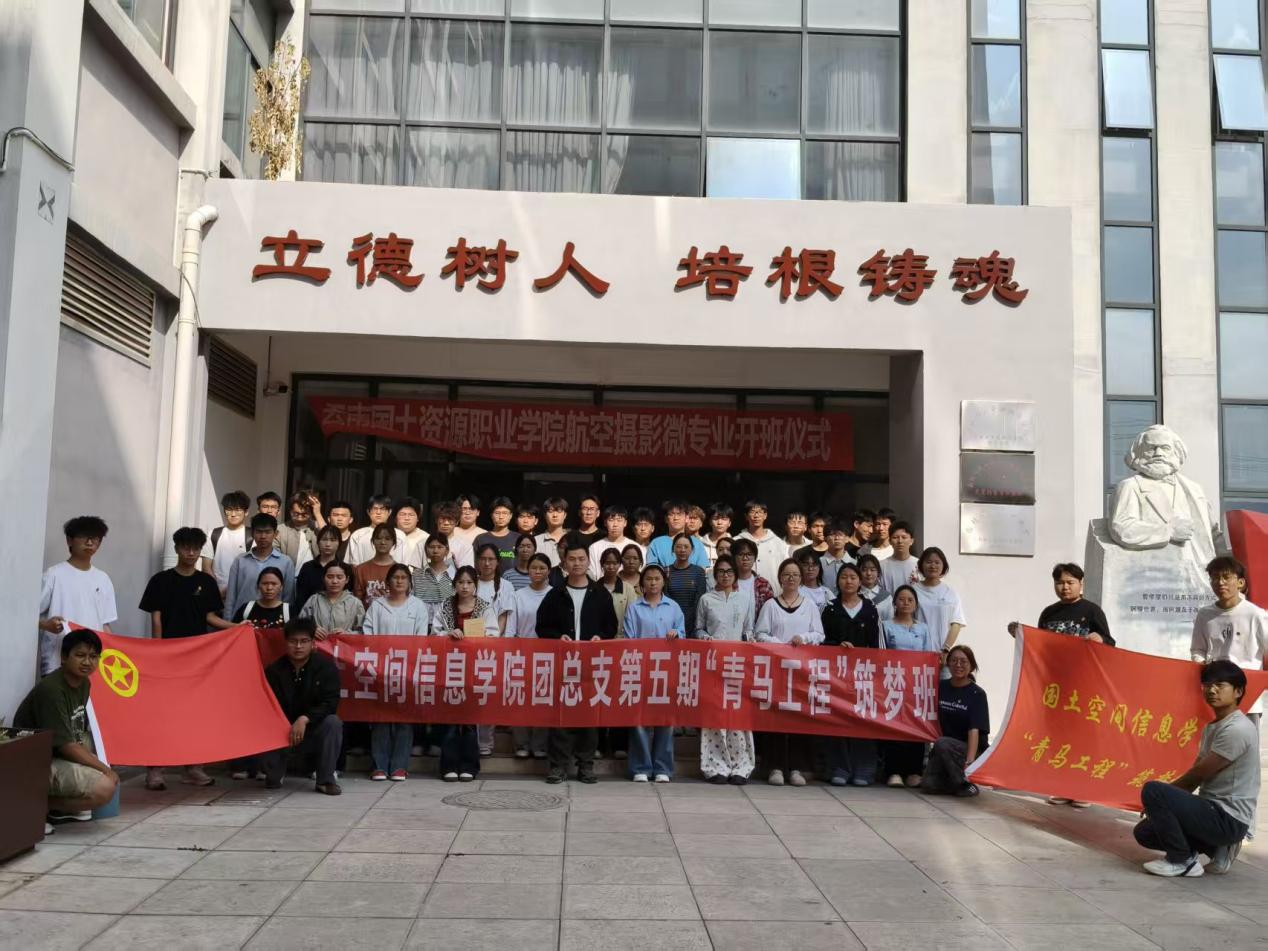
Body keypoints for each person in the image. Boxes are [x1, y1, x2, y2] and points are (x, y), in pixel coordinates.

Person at [1133, 660, 1260, 877]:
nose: (1212, 690)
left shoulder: (1237, 729)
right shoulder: (1214, 726)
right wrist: (1161, 806)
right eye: (1207, 685)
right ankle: (1216, 848)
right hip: (1211, 810)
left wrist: (1160, 798)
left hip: (1228, 818)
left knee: (1153, 790)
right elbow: (1197, 773)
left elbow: (1198, 775)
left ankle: (1182, 861)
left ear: (1238, 691)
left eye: (1220, 685)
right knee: (1145, 832)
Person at [138, 527, 233, 790]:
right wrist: (158, 652)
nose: (190, 552)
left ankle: (194, 767)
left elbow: (210, 618)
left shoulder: (207, 583)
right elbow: (156, 618)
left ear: (201, 551)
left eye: (195, 548)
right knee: (162, 713)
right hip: (167, 658)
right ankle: (155, 769)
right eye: (185, 547)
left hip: (198, 660)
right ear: (177, 549)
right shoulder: (161, 581)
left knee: (195, 713)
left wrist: (237, 628)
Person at [14, 629, 119, 823]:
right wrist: (106, 770)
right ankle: (35, 807)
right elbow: (66, 746)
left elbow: (74, 736)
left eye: (93, 657)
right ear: (63, 657)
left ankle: (58, 809)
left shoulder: (84, 683)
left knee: (92, 744)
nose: (87, 662)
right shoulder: (52, 690)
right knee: (104, 788)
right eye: (80, 655)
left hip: (58, 752)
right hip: (34, 762)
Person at [536, 544, 617, 783]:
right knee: (561, 716)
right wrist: (557, 637)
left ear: (588, 562)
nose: (577, 563)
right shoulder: (555, 594)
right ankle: (558, 766)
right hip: (564, 664)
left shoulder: (601, 594)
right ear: (564, 562)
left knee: (589, 716)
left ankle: (586, 765)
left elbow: (611, 626)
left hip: (591, 664)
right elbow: (542, 627)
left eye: (581, 559)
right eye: (572, 559)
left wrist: (600, 637)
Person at [755, 558, 825, 786]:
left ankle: (797, 768)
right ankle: (775, 767)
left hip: (802, 671)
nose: (791, 578)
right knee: (775, 718)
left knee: (798, 719)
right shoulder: (770, 605)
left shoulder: (809, 605)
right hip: (776, 670)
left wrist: (803, 638)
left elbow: (819, 635)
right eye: (787, 574)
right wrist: (780, 645)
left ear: (801, 578)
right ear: (780, 578)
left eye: (795, 574)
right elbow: (760, 634)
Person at [261, 618, 343, 795]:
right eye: (293, 641)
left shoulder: (326, 668)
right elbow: (266, 706)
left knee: (333, 722)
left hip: (312, 729)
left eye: (304, 641)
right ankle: (274, 770)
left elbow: (331, 703)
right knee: (272, 782)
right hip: (282, 730)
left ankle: (325, 780)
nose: (298, 646)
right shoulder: (274, 671)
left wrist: (305, 719)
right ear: (285, 643)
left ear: (313, 643)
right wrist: (286, 725)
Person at [364, 564, 430, 781]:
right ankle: (379, 765)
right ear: (388, 582)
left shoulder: (418, 606)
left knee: (404, 718)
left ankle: (400, 766)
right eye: (395, 577)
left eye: (403, 577)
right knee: (380, 717)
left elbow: (421, 638)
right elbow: (368, 634)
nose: (399, 581)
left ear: (409, 582)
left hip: (407, 668)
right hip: (381, 669)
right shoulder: (377, 606)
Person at [430, 567, 497, 781]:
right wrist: (447, 634)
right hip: (449, 668)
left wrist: (477, 637)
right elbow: (434, 633)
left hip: (474, 668)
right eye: (460, 582)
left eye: (469, 582)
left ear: (475, 585)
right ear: (454, 585)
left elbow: (494, 635)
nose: (465, 586)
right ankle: (448, 765)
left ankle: (469, 765)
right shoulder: (445, 606)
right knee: (450, 718)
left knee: (469, 718)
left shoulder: (484, 607)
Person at [694, 556, 756, 784]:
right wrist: (705, 638)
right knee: (715, 714)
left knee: (738, 715)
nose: (725, 575)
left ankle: (741, 766)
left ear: (735, 574)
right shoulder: (706, 599)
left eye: (729, 571)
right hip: (713, 664)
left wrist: (749, 640)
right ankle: (715, 766)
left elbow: (749, 629)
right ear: (715, 575)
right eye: (720, 571)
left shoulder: (745, 599)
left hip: (738, 664)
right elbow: (698, 629)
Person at [820, 563, 881, 786]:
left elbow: (877, 644)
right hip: (836, 674)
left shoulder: (870, 609)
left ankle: (864, 768)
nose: (848, 581)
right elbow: (821, 639)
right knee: (837, 718)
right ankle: (839, 767)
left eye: (853, 577)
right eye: (844, 577)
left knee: (863, 718)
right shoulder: (830, 608)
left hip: (864, 675)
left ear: (860, 581)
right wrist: (836, 646)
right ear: (837, 581)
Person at [623, 564, 684, 783]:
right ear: (642, 583)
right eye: (648, 579)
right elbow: (629, 639)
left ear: (663, 581)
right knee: (638, 719)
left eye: (657, 578)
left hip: (667, 671)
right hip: (640, 669)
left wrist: (677, 634)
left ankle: (662, 768)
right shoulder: (634, 608)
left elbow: (683, 635)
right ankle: (640, 766)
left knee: (665, 719)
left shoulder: (673, 607)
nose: (653, 583)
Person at [38, 516, 117, 676]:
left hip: (92, 666)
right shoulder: (53, 575)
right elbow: (27, 617)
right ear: (69, 540)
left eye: (95, 538)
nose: (90, 542)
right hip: (57, 662)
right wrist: (46, 625)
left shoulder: (103, 579)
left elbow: (105, 625)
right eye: (83, 537)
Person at [1190, 556, 1266, 724]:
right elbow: (1198, 649)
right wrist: (1202, 664)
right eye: (1215, 578)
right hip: (1215, 695)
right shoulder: (1205, 615)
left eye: (1226, 577)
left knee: (1245, 739)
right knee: (1214, 739)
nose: (1220, 582)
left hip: (1247, 694)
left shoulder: (1256, 614)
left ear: (1240, 583)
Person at [880, 585, 940, 787]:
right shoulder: (886, 626)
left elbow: (929, 655)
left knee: (915, 725)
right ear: (894, 603)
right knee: (894, 726)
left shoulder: (923, 628)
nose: (905, 603)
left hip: (916, 684)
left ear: (916, 604)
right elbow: (881, 653)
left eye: (910, 600)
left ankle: (914, 771)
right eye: (901, 599)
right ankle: (893, 771)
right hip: (893, 683)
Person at [922, 645, 989, 798]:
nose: (958, 665)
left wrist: (970, 763)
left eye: (963, 661)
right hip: (944, 747)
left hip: (971, 749)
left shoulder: (977, 694)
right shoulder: (941, 687)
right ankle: (953, 782)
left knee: (942, 743)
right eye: (954, 661)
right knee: (929, 785)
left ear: (971, 666)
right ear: (948, 664)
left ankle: (965, 783)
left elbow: (974, 730)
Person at [505, 553, 554, 759]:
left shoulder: (555, 595)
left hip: (548, 655)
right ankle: (521, 743)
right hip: (521, 654)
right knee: (520, 699)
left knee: (543, 700)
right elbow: (511, 628)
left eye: (542, 568)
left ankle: (540, 745)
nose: (537, 571)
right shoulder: (518, 595)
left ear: (549, 571)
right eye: (534, 568)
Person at [223, 514, 296, 621]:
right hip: (242, 620)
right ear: (252, 533)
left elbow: (288, 597)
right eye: (259, 532)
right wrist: (228, 623)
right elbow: (231, 596)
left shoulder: (285, 562)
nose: (263, 536)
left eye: (268, 532)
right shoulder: (240, 560)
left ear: (275, 534)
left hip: (275, 621)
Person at [913, 547, 966, 670]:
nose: (933, 566)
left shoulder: (950, 593)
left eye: (937, 562)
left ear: (943, 566)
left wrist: (946, 650)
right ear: (921, 565)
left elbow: (956, 623)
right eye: (929, 562)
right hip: (918, 654)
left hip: (944, 656)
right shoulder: (913, 591)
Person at [201, 490, 250, 597]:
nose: (233, 514)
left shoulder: (252, 536)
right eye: (229, 510)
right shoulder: (213, 534)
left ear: (246, 512)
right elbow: (206, 567)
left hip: (243, 593)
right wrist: (216, 590)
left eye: (238, 510)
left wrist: (231, 590)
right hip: (216, 593)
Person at [299, 561, 364, 639]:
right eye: (330, 577)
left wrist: (348, 634)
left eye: (339, 577)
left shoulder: (355, 603)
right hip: (318, 645)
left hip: (343, 645)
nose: (334, 581)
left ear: (347, 579)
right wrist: (312, 630)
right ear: (323, 578)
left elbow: (363, 631)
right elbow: (300, 624)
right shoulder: (314, 600)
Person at [735, 500, 788, 584]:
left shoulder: (778, 543)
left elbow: (786, 569)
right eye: (752, 512)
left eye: (759, 512)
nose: (756, 516)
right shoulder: (736, 541)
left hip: (773, 590)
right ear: (746, 516)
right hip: (743, 590)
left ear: (765, 515)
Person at [294, 525, 343, 612]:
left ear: (339, 543)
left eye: (332, 540)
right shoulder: (307, 568)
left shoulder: (344, 569)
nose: (328, 544)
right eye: (324, 539)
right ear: (318, 542)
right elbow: (301, 598)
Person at [346, 494, 405, 566]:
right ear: (368, 512)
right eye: (375, 509)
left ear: (389, 512)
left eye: (382, 509)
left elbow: (404, 562)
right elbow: (352, 564)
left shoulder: (400, 535)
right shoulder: (357, 535)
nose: (378, 512)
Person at [647, 500, 709, 568]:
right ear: (666, 519)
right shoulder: (656, 544)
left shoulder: (697, 544)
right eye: (671, 514)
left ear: (687, 518)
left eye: (679, 514)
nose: (676, 518)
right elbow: (651, 570)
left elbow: (703, 570)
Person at [665, 534, 708, 630]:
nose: (682, 550)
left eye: (686, 547)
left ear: (692, 550)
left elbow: (699, 599)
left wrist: (687, 619)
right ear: (673, 549)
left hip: (693, 622)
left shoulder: (698, 572)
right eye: (679, 546)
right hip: (670, 621)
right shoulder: (666, 571)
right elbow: (665, 597)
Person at [474, 543, 516, 636]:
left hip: (496, 638)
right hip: (471, 637)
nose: (487, 563)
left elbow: (503, 617)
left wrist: (492, 638)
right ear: (477, 561)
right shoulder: (470, 583)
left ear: (497, 562)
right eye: (483, 559)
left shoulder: (506, 586)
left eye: (491, 559)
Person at [353, 524, 398, 608]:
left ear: (393, 542)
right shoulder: (361, 569)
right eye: (378, 538)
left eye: (387, 539)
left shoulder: (399, 570)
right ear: (373, 541)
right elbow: (357, 602)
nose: (383, 542)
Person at [587, 505, 635, 580]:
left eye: (619, 520)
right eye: (611, 520)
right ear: (605, 523)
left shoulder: (635, 547)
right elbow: (592, 575)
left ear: (625, 523)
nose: (615, 524)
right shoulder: (594, 548)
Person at [732, 538, 775, 618]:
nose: (745, 558)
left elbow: (770, 613)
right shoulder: (727, 583)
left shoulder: (763, 584)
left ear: (755, 558)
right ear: (734, 557)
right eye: (741, 554)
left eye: (749, 554)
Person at [598, 547, 635, 637]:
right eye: (607, 563)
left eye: (615, 563)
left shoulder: (628, 589)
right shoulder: (594, 588)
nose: (611, 567)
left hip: (622, 638)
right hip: (598, 639)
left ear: (620, 564)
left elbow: (632, 616)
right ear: (602, 564)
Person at [412, 533, 456, 608]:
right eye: (432, 547)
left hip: (448, 615)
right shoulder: (416, 575)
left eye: (440, 547)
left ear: (447, 551)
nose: (435, 551)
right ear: (426, 551)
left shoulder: (456, 576)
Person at [474, 496, 519, 566]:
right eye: (497, 513)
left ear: (511, 515)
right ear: (491, 515)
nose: (501, 517)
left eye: (505, 513)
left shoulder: (518, 539)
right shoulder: (481, 539)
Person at [276, 491, 317, 568]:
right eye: (296, 514)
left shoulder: (317, 527)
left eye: (304, 514)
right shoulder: (280, 530)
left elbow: (328, 536)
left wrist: (317, 513)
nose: (300, 518)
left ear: (311, 513)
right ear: (290, 511)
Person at [880, 521, 921, 595]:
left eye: (904, 537)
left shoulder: (919, 565)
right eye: (895, 537)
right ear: (890, 541)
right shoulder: (882, 566)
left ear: (911, 541)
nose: (900, 541)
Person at [433, 501, 473, 570]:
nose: (446, 523)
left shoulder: (465, 546)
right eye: (442, 519)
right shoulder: (423, 543)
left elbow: (467, 572)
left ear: (457, 522)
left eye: (450, 519)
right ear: (436, 520)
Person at [819, 521, 854, 593]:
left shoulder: (854, 563)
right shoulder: (818, 563)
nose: (837, 538)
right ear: (825, 538)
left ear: (847, 538)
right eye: (832, 534)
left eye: (840, 534)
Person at [394, 497, 430, 569]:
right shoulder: (388, 535)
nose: (407, 518)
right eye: (402, 514)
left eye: (411, 515)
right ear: (395, 517)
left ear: (418, 518)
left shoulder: (426, 538)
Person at [534, 497, 569, 567]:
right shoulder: (535, 541)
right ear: (545, 515)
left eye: (559, 511)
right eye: (550, 511)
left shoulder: (573, 539)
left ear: (565, 515)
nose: (555, 515)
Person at [857, 554, 893, 620]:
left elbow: (889, 622)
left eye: (872, 570)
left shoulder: (886, 597)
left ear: (878, 573)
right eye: (864, 570)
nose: (869, 573)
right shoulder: (853, 595)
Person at [322, 499, 356, 563]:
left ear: (351, 519)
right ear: (329, 519)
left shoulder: (355, 540)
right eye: (335, 515)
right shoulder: (323, 540)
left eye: (344, 515)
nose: (339, 519)